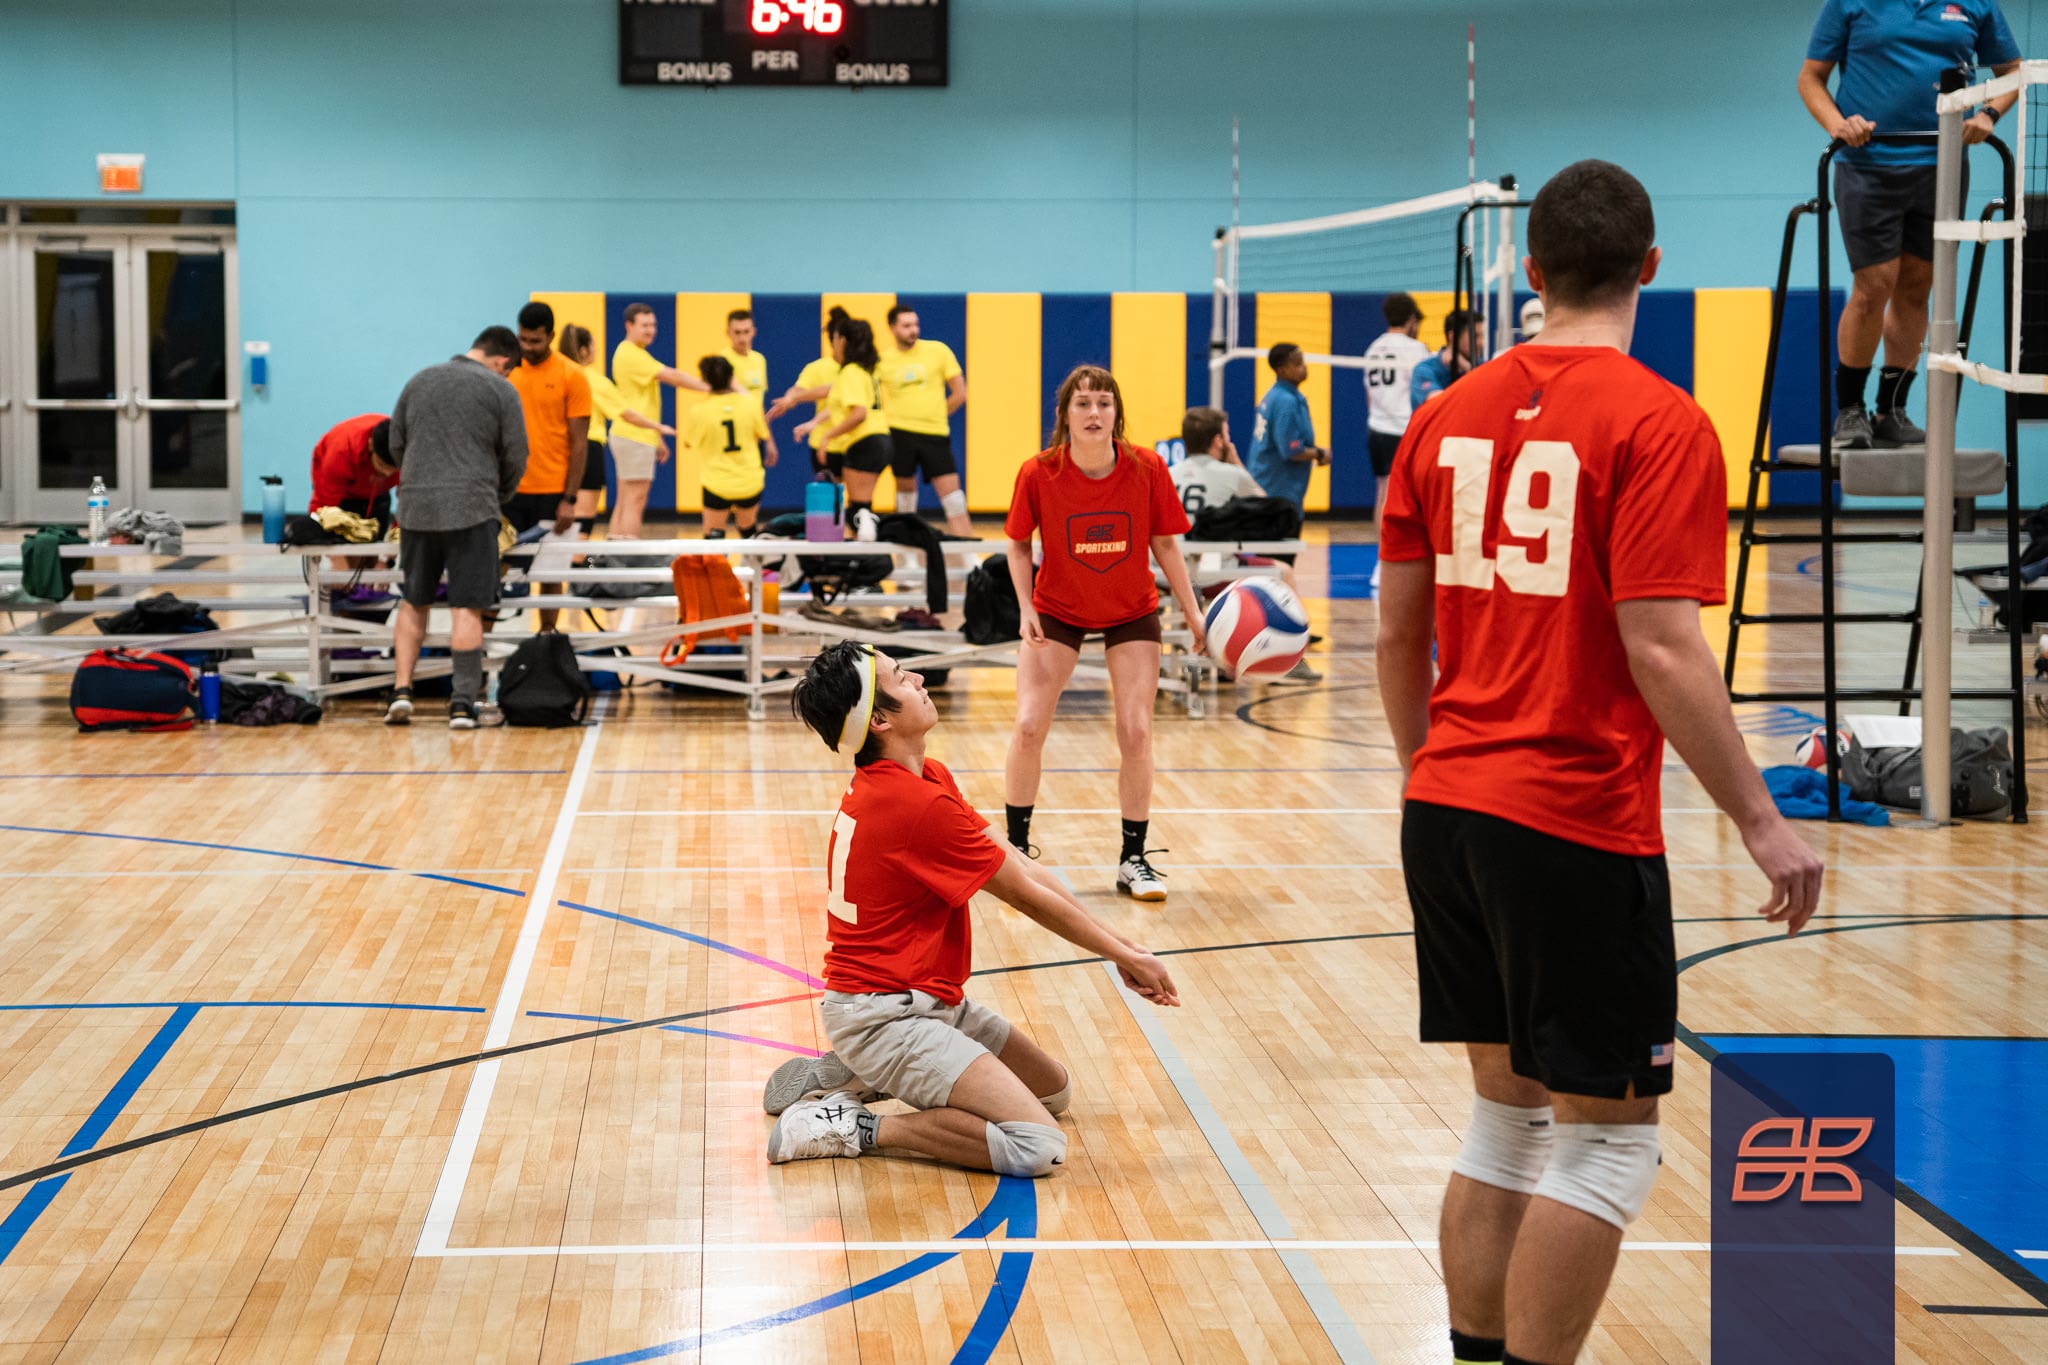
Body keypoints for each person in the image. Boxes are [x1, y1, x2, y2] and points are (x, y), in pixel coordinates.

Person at [1375, 160, 1824, 1365]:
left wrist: (1431, 772)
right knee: (1608, 1142)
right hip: (1572, 818)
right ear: (1651, 270)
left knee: (1503, 1124)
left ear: (1528, 274)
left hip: (1448, 808)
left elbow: (1395, 634)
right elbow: (1663, 648)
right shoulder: (1658, 422)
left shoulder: (1438, 416)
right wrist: (1760, 820)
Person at [761, 642, 1181, 1174]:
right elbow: (1024, 897)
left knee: (1054, 1093)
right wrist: (1123, 957)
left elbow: (1022, 867)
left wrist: (1125, 948)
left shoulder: (927, 776)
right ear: (880, 723)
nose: (916, 677)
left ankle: (855, 1074)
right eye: (899, 678)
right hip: (883, 1016)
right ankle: (853, 1126)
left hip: (928, 1003)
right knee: (1035, 1142)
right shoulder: (915, 806)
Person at [1002, 366, 1207, 900]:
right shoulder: (1038, 472)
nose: (1094, 413)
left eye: (1104, 404)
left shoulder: (1147, 467)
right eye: (1083, 404)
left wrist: (1193, 610)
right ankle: (1016, 854)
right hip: (1057, 608)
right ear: (1065, 414)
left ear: (1117, 414)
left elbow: (1165, 544)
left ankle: (1132, 859)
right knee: (1027, 726)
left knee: (1136, 731)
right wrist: (1025, 607)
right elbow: (1019, 545)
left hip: (1130, 610)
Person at [1800, 0, 2019, 450]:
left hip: (1942, 167)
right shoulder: (1850, 3)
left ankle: (1891, 410)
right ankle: (1851, 411)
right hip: (1869, 166)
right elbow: (1810, 78)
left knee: (1917, 286)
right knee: (1874, 285)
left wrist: (1987, 115)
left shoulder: (1976, 5)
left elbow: (2013, 73)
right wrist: (1839, 125)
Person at [384, 326, 527, 730]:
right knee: (467, 606)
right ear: (502, 362)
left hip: (415, 508)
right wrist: (498, 494)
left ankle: (401, 692)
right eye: (509, 370)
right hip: (472, 508)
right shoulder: (501, 390)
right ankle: (462, 704)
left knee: (415, 600)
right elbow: (517, 453)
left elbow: (396, 443)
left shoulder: (419, 380)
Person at [507, 302, 592, 631]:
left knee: (551, 575)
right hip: (511, 493)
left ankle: (546, 639)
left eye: (535, 341)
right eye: (523, 340)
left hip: (553, 492)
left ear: (551, 336)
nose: (527, 347)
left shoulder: (572, 375)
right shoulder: (507, 370)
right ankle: (483, 657)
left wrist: (569, 499)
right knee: (498, 571)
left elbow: (580, 442)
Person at [610, 301, 711, 542]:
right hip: (633, 436)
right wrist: (711, 387)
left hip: (634, 435)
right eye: (644, 325)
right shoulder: (630, 354)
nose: (650, 330)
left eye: (653, 325)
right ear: (629, 326)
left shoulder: (635, 353)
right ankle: (627, 557)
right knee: (635, 499)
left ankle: (611, 556)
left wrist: (656, 439)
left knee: (625, 498)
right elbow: (672, 376)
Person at [557, 324, 674, 530]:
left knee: (557, 520)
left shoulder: (555, 377)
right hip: (586, 450)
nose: (596, 350)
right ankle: (584, 563)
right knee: (581, 522)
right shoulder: (592, 381)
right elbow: (626, 413)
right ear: (584, 351)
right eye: (593, 345)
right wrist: (657, 427)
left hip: (555, 449)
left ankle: (559, 563)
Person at [875, 304, 971, 534]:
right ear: (892, 328)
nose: (913, 330)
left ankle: (970, 557)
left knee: (954, 499)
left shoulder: (938, 351)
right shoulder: (882, 361)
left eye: (916, 324)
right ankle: (908, 557)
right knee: (905, 500)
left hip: (934, 433)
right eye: (906, 326)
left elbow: (960, 393)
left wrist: (937, 413)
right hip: (900, 434)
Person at [800, 318, 893, 538]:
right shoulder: (869, 371)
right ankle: (865, 551)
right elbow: (838, 405)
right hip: (883, 440)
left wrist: (827, 436)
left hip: (864, 441)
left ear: (843, 341)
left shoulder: (851, 371)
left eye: (836, 337)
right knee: (862, 507)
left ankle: (870, 550)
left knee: (859, 511)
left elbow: (859, 413)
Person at [684, 354, 778, 537]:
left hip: (716, 482)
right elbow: (761, 435)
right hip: (749, 480)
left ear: (705, 380)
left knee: (713, 537)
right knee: (748, 529)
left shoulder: (700, 410)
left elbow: (689, 443)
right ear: (731, 377)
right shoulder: (751, 404)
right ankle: (756, 564)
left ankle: (717, 565)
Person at [1364, 293, 1434, 518]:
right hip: (1402, 430)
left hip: (1376, 428)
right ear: (1411, 319)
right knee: (1406, 494)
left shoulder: (1373, 348)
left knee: (1382, 491)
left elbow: (1369, 395)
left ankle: (1380, 551)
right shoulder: (1415, 349)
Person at [768, 307, 851, 483]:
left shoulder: (859, 369)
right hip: (824, 444)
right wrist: (788, 401)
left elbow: (838, 394)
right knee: (828, 500)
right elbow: (798, 391)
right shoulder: (817, 368)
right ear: (833, 340)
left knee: (859, 500)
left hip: (854, 440)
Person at [1246, 342, 1327, 515]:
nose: (1303, 367)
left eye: (1302, 362)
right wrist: (1319, 454)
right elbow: (1290, 450)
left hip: (1272, 484)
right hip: (1277, 490)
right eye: (1297, 364)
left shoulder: (1278, 395)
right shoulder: (1286, 401)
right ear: (1281, 370)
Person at [309, 413, 397, 526]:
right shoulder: (341, 450)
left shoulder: (411, 452)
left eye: (394, 469)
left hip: (378, 494)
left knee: (377, 535)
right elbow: (324, 504)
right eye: (381, 465)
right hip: (340, 494)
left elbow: (411, 498)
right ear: (370, 445)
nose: (387, 473)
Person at [1412, 308, 1478, 408]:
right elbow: (1438, 405)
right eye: (1475, 337)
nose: (1481, 342)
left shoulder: (1483, 366)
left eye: (1482, 336)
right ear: (1453, 337)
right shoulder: (1424, 370)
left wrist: (1468, 368)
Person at [720, 308, 770, 402]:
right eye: (737, 332)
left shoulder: (760, 359)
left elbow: (759, 396)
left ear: (753, 332)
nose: (742, 338)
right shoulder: (722, 360)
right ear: (728, 332)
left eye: (746, 331)